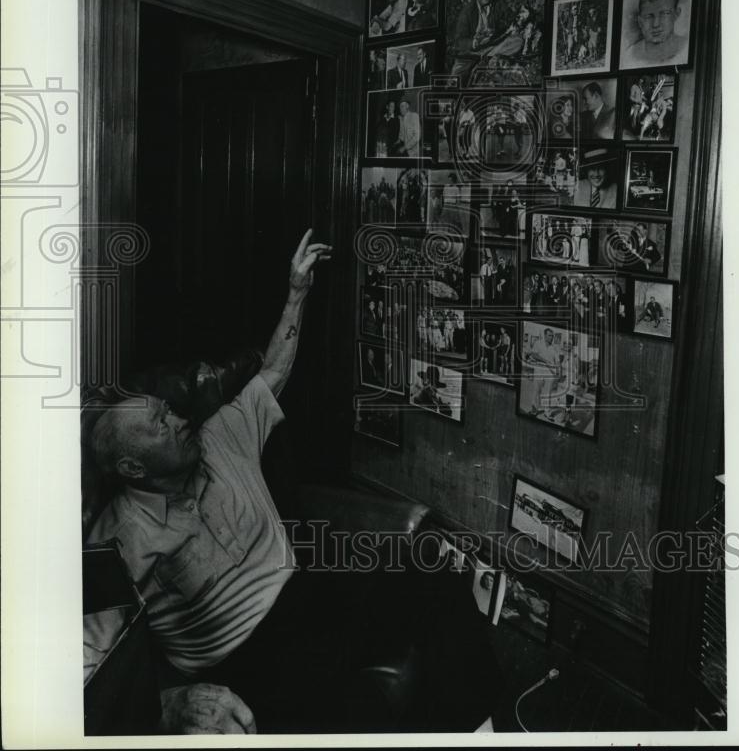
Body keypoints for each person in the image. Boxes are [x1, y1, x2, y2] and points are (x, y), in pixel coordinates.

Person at [86, 232, 501, 734]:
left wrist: (297, 291)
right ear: (133, 469)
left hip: (306, 592)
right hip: (244, 656)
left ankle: (482, 730)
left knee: (432, 574)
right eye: (159, 423)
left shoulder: (221, 434)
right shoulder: (115, 539)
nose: (177, 418)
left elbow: (275, 370)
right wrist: (168, 701)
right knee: (347, 707)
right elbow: (91, 663)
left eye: (169, 408)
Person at [450, 0, 508, 86]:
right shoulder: (467, 12)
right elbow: (458, 41)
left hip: (493, 48)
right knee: (455, 80)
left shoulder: (498, 4)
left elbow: (510, 18)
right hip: (470, 54)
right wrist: (474, 43)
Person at [624, 0, 688, 68]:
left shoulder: (686, 48)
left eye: (664, 14)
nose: (655, 24)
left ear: (676, 14)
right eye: (648, 16)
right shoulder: (629, 55)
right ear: (640, 21)